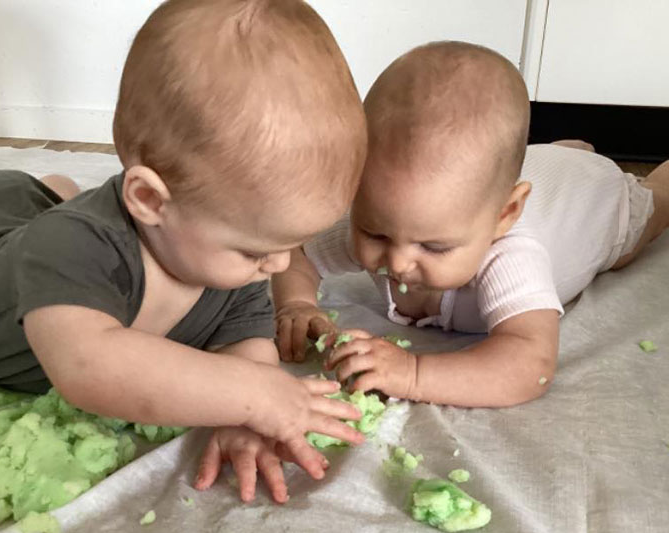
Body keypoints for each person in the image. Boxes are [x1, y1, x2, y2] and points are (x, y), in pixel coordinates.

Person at [0, 0, 369, 502]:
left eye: (288, 247)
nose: (278, 266)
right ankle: (37, 193)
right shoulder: (72, 246)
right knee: (28, 229)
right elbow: (88, 368)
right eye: (254, 249)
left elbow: (247, 346)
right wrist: (255, 397)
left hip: (28, 229)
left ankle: (46, 191)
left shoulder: (237, 269)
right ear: (149, 199)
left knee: (40, 208)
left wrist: (247, 418)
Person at [272, 40, 669, 408]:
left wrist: (412, 373)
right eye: (375, 233)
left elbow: (531, 365)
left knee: (653, 209)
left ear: (504, 217)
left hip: (597, 204)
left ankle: (610, 169)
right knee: (491, 169)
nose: (397, 262)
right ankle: (561, 152)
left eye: (435, 247)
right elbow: (299, 252)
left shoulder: (511, 254)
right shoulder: (394, 213)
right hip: (533, 176)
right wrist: (297, 302)